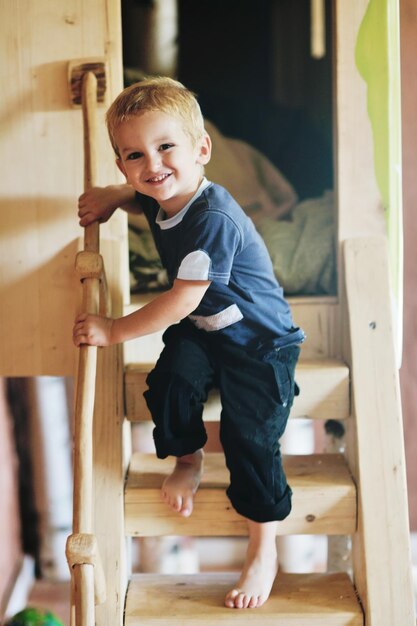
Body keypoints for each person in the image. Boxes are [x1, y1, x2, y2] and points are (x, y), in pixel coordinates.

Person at [73, 76, 304, 610]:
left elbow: (178, 301)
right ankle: (187, 455)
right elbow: (148, 198)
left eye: (165, 147)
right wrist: (114, 198)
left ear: (202, 150)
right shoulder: (158, 192)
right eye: (135, 155)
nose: (152, 164)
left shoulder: (215, 219)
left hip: (259, 342)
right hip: (206, 328)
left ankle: (263, 545)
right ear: (123, 165)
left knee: (251, 436)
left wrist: (113, 328)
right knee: (171, 381)